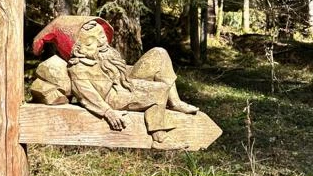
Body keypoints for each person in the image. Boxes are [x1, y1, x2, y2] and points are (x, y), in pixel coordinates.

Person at [32, 16, 198, 130]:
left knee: (159, 53)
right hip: (115, 94)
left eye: (101, 34)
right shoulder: (81, 68)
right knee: (159, 90)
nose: (102, 39)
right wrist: (108, 112)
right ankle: (158, 133)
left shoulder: (106, 54)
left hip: (124, 82)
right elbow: (87, 94)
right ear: (81, 46)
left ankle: (175, 102)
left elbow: (120, 70)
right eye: (94, 39)